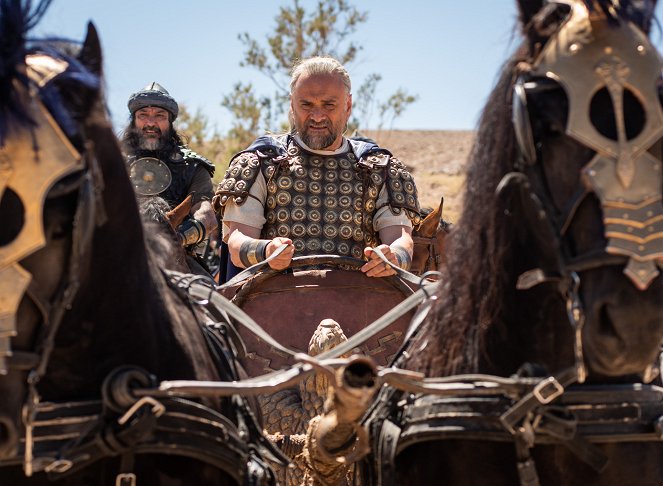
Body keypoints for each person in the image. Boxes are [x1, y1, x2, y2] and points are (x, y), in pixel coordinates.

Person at [213, 56, 421, 278]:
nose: (317, 116)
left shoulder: (380, 169)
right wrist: (265, 251)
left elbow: (401, 239)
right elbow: (236, 242)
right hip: (273, 300)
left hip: (361, 299)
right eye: (307, 105)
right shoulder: (260, 162)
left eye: (329, 105)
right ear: (292, 104)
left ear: (348, 105)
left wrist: (392, 257)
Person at [122, 82, 218, 274]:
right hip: (118, 253)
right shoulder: (113, 164)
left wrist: (176, 237)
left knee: (210, 297)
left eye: (159, 116)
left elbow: (207, 216)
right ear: (134, 121)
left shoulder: (192, 166)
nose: (151, 123)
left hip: (177, 255)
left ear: (170, 122)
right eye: (143, 115)